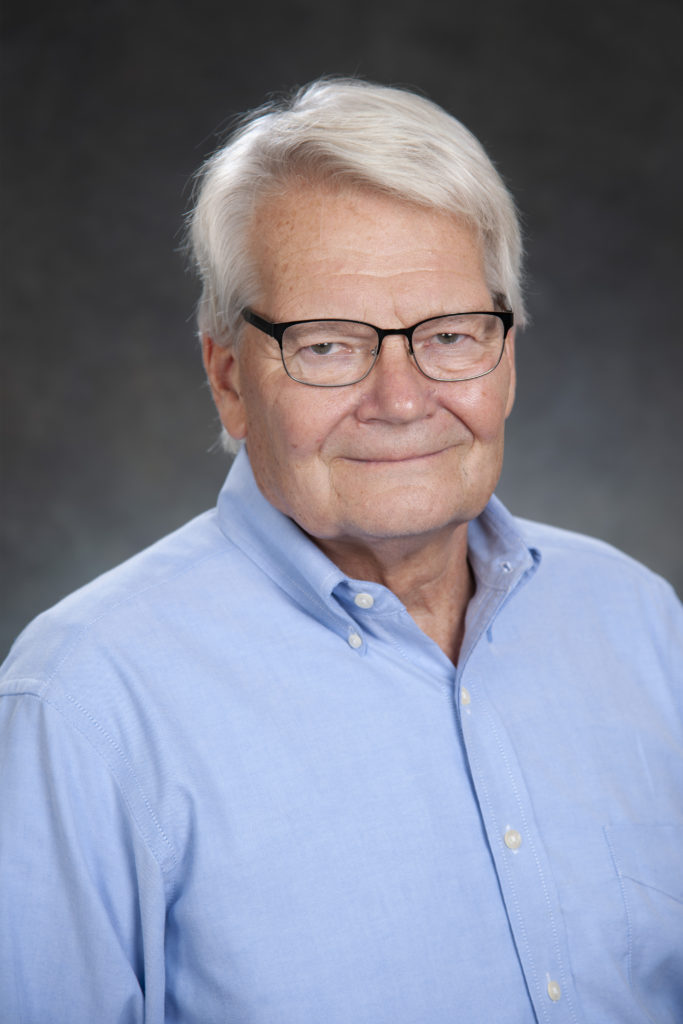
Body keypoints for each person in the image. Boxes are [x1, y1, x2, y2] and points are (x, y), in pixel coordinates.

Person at [1, 78, 681, 1024]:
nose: (401, 401)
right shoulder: (86, 704)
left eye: (449, 335)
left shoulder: (640, 622)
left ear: (507, 355)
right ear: (229, 378)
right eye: (327, 346)